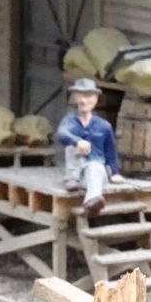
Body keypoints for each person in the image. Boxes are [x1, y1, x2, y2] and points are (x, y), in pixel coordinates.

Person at [56, 77, 123, 217]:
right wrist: (77, 141)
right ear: (75, 98)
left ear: (95, 99)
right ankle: (90, 198)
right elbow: (61, 134)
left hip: (95, 173)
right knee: (72, 147)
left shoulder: (104, 126)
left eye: (88, 96)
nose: (83, 101)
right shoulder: (70, 121)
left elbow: (110, 152)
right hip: (75, 175)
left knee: (95, 167)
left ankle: (91, 202)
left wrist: (115, 172)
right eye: (79, 96)